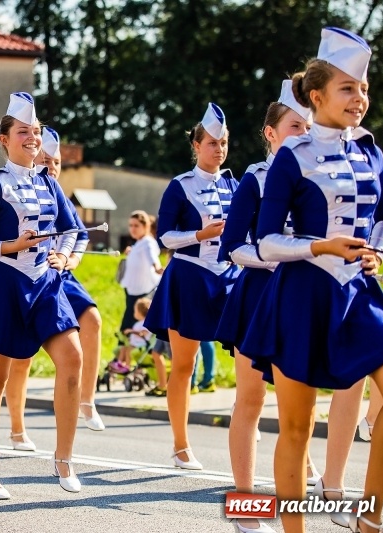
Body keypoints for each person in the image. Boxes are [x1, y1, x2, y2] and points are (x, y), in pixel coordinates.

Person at [240, 27, 383, 533]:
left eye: (364, 88)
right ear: (317, 95)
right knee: (297, 428)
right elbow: (265, 242)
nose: (360, 98)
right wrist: (319, 246)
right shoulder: (293, 156)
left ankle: (369, 520)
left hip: (358, 293)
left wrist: (377, 252)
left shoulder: (371, 152)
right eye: (348, 88)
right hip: (301, 298)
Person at [0, 93, 83, 498]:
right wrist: (6, 246)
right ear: (4, 139)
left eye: (35, 132)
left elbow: (71, 228)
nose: (32, 138)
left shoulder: (49, 181)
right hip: (3, 284)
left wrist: (63, 256)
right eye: (23, 132)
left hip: (45, 282)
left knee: (73, 357)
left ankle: (64, 458)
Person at [217, 79, 313, 533]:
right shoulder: (255, 178)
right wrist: (274, 258)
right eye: (295, 126)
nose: (303, 133)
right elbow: (232, 245)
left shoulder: (317, 176)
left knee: (300, 401)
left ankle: (308, 484)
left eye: (308, 126)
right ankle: (246, 508)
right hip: (259, 296)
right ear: (271, 133)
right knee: (251, 400)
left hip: (305, 295)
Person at [143, 102, 240, 471]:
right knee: (184, 364)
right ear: (197, 146)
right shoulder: (180, 186)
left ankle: (245, 419)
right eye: (212, 143)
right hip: (189, 277)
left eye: (224, 142)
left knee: (251, 357)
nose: (219, 149)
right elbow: (165, 237)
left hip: (229, 278)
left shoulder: (235, 184)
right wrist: (200, 234)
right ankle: (181, 445)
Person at [4, 125, 105, 456]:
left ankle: (87, 399)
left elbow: (80, 233)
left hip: (60, 274)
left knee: (92, 319)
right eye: (47, 160)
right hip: (26, 274)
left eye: (57, 161)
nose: (52, 166)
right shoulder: (24, 187)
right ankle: (17, 427)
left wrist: (70, 257)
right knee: (22, 358)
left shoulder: (57, 191)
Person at [119, 210, 163, 333]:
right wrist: (131, 251)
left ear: (146, 226)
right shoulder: (139, 243)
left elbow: (152, 256)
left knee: (131, 328)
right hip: (132, 292)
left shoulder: (148, 242)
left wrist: (157, 267)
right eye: (130, 225)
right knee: (128, 327)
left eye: (136, 225)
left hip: (142, 293)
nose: (132, 229)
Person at [114, 297, 152, 373]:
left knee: (129, 350)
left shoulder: (146, 323)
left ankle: (127, 366)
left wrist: (131, 331)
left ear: (140, 312)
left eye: (135, 311)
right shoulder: (138, 323)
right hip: (135, 343)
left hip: (141, 344)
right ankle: (119, 364)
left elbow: (143, 333)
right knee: (123, 348)